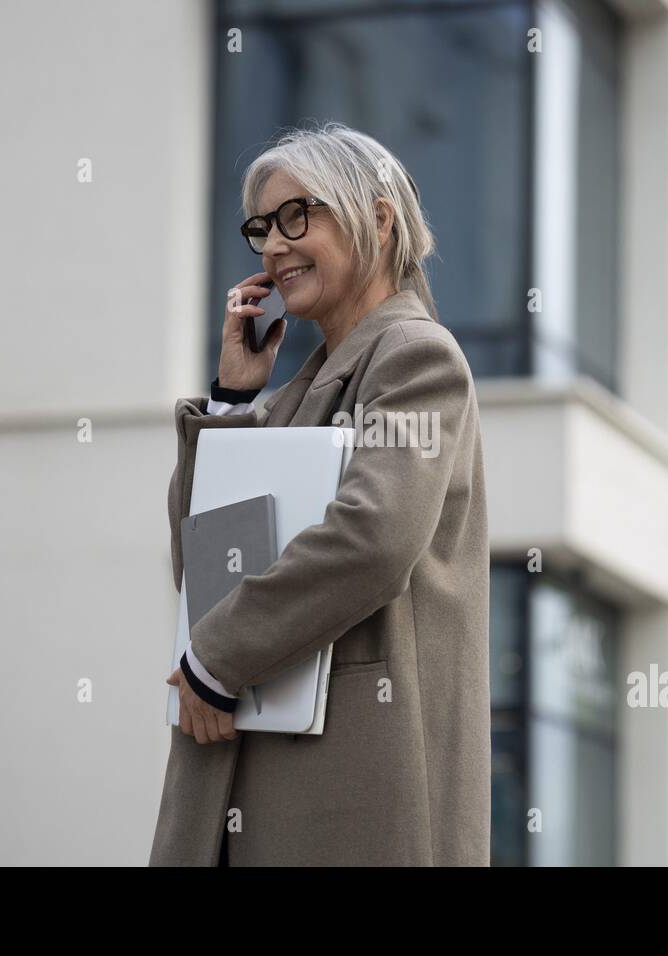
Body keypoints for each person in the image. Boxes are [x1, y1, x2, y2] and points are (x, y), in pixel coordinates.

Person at [149, 121, 490, 866]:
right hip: (269, 772)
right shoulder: (300, 390)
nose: (272, 245)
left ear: (377, 218)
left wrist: (216, 660)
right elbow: (204, 572)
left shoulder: (415, 357)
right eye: (261, 228)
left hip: (347, 790)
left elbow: (373, 538)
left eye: (297, 216)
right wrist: (235, 402)